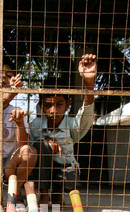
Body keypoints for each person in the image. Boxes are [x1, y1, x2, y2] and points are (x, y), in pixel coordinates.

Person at [29, 53, 97, 204]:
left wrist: (89, 84)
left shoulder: (71, 124)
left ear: (68, 105)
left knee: (69, 177)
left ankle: (58, 193)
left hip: (65, 169)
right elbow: (28, 150)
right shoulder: (35, 124)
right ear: (41, 105)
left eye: (59, 104)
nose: (53, 110)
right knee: (39, 147)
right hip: (42, 172)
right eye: (48, 105)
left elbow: (86, 115)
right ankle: (44, 193)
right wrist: (44, 142)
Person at [0, 59, 37, 205]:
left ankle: (14, 192)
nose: (3, 78)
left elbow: (23, 144)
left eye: (9, 75)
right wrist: (11, 93)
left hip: (8, 163)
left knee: (29, 152)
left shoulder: (17, 110)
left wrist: (19, 122)